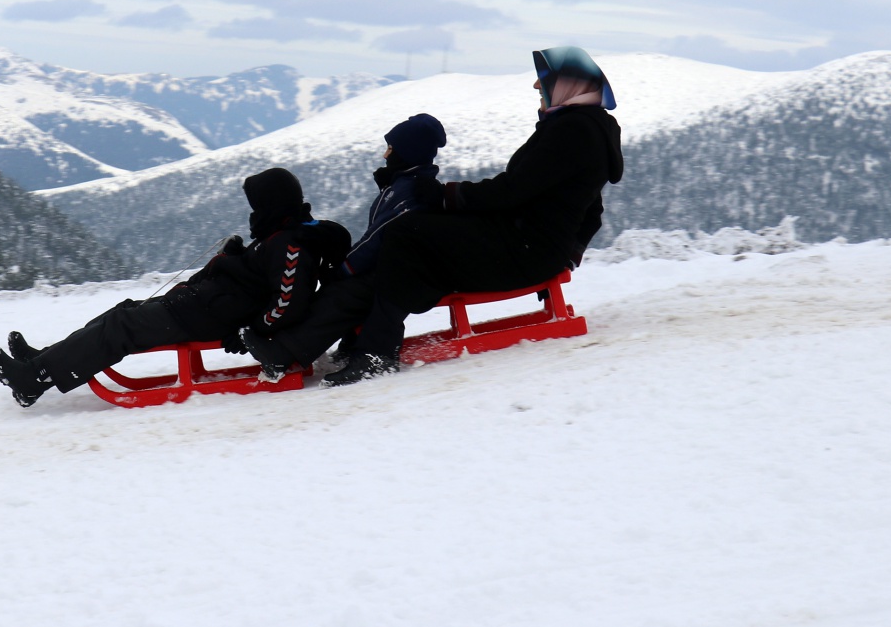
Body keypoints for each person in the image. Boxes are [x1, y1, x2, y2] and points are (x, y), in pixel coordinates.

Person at [245, 45, 623, 387]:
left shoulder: (573, 133)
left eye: (543, 82)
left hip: (524, 248)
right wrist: (566, 252)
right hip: (526, 242)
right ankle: (358, 340)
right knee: (412, 238)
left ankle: (375, 351)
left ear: (568, 87)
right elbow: (589, 205)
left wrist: (445, 197)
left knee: (407, 234)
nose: (536, 89)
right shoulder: (582, 130)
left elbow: (512, 190)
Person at [0, 167, 351, 407]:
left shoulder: (291, 244)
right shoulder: (276, 235)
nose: (252, 211)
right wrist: (234, 259)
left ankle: (33, 380)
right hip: (204, 305)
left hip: (213, 317)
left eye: (256, 203)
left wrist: (251, 331)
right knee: (124, 312)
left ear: (271, 204)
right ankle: (44, 360)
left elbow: (288, 303)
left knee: (123, 327)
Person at [242, 113, 447, 379]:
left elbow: (377, 240)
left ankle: (286, 353)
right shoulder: (402, 185)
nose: (386, 155)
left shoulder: (411, 191)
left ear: (408, 153)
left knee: (349, 291)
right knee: (348, 287)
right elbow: (375, 237)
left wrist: (344, 268)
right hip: (401, 267)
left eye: (391, 149)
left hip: (412, 273)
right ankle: (346, 346)